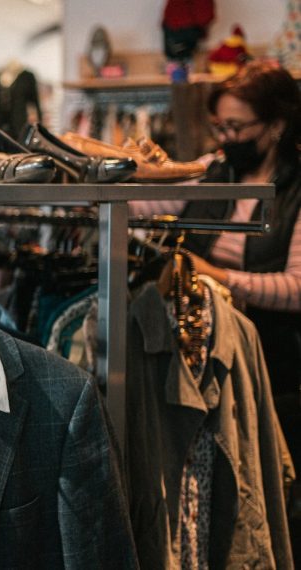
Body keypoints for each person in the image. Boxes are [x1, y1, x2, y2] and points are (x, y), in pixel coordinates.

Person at [132, 60, 301, 557]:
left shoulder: (296, 189)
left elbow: (297, 286)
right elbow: (146, 209)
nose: (226, 137)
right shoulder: (214, 169)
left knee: (267, 478)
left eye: (237, 127)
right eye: (220, 126)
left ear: (275, 125)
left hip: (276, 360)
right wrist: (140, 177)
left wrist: (217, 276)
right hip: (204, 350)